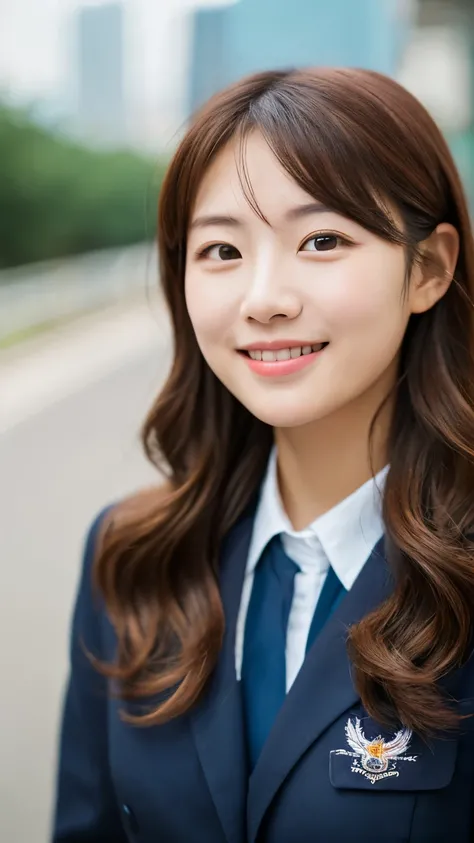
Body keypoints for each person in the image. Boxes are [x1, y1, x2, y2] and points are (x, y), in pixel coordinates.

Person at [52, 67, 474, 843]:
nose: (263, 296)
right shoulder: (131, 558)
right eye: (220, 250)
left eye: (323, 240)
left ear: (429, 268)